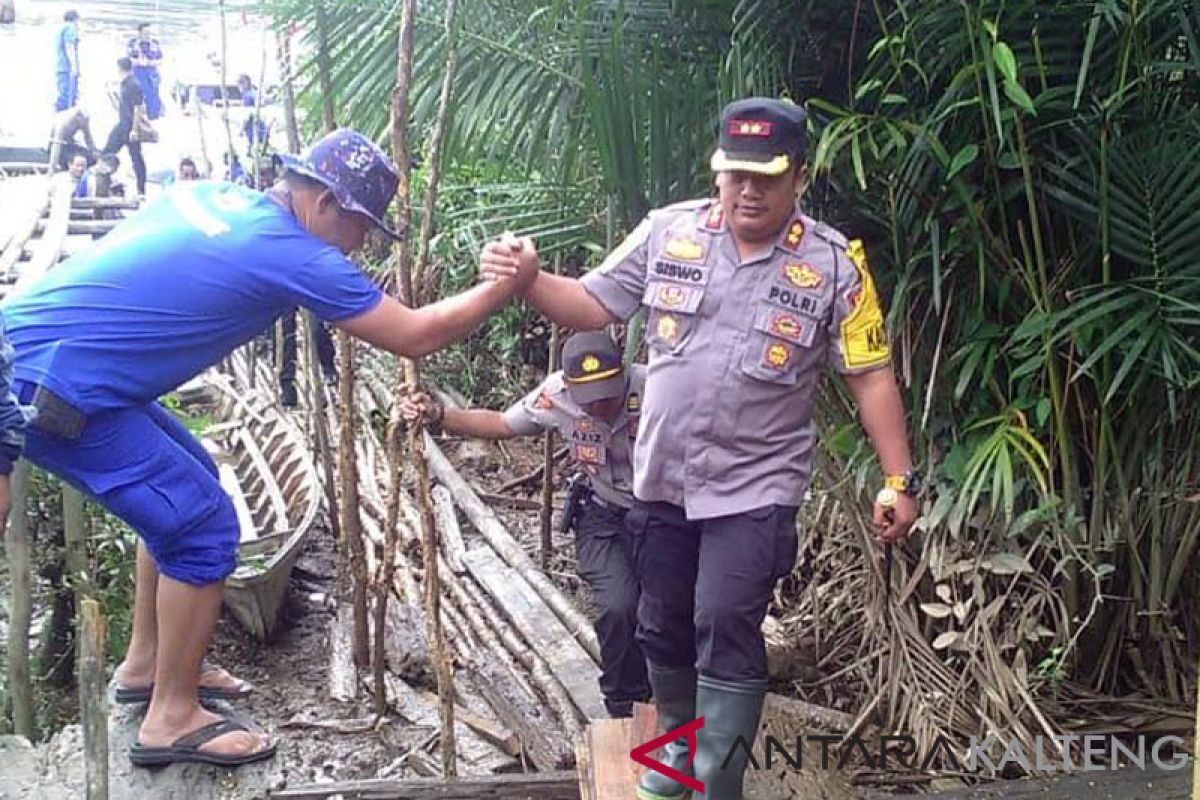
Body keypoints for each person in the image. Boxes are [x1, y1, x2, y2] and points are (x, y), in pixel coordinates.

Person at [1, 128, 537, 768]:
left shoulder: (211, 195)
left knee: (190, 482)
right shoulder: (291, 253)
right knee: (201, 528)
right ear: (324, 203)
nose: (360, 244)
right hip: (52, 388)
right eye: (362, 226)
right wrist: (508, 285)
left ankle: (147, 666)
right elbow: (415, 335)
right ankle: (170, 719)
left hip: (38, 352)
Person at [481, 97, 919, 800]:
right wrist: (528, 278)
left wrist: (900, 478)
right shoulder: (667, 234)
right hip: (662, 477)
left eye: (767, 176)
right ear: (717, 172)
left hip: (757, 485)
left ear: (800, 176)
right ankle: (678, 746)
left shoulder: (836, 266)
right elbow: (593, 305)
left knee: (724, 618)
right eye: (734, 173)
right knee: (662, 621)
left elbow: (869, 374)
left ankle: (721, 775)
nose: (748, 190)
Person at [403, 331, 651, 718]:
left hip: (663, 513)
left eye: (608, 393)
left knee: (667, 611)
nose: (601, 405)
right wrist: (438, 414)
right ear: (569, 387)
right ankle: (624, 706)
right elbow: (502, 424)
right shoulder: (556, 396)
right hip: (602, 514)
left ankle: (676, 700)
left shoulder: (656, 387)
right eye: (591, 398)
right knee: (619, 607)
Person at [102, 57, 147, 197]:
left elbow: (138, 108)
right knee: (110, 153)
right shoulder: (125, 84)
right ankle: (107, 181)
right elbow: (123, 106)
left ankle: (141, 188)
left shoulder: (133, 85)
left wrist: (134, 129)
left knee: (135, 158)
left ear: (120, 68)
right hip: (123, 124)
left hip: (128, 126)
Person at [126, 22, 164, 120]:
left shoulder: (155, 43)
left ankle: (154, 116)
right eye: (146, 33)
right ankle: (135, 116)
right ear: (139, 33)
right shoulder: (132, 43)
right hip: (138, 72)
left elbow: (160, 60)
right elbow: (129, 59)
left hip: (151, 73)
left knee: (153, 96)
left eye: (149, 33)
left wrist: (149, 63)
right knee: (137, 95)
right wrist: (140, 62)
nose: (148, 36)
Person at [47, 105, 96, 172]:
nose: (86, 123)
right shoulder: (63, 122)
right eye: (85, 120)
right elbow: (56, 146)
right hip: (54, 145)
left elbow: (88, 137)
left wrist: (94, 152)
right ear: (78, 117)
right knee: (69, 159)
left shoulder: (83, 120)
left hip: (68, 144)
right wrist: (52, 167)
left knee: (90, 158)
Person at [54, 10, 81, 112]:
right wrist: (74, 66)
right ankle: (63, 121)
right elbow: (69, 46)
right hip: (67, 68)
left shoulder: (61, 28)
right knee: (68, 98)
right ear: (75, 19)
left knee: (63, 94)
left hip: (60, 67)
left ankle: (56, 119)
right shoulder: (70, 28)